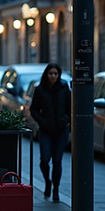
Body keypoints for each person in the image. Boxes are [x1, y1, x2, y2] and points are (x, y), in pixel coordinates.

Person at [29, 63, 71, 202]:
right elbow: (33, 109)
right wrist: (43, 121)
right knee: (45, 159)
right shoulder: (40, 89)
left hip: (61, 131)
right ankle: (47, 181)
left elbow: (70, 107)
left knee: (57, 161)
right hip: (46, 130)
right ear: (46, 75)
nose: (53, 76)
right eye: (50, 73)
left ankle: (56, 190)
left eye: (55, 73)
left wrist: (65, 120)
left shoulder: (64, 88)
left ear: (58, 75)